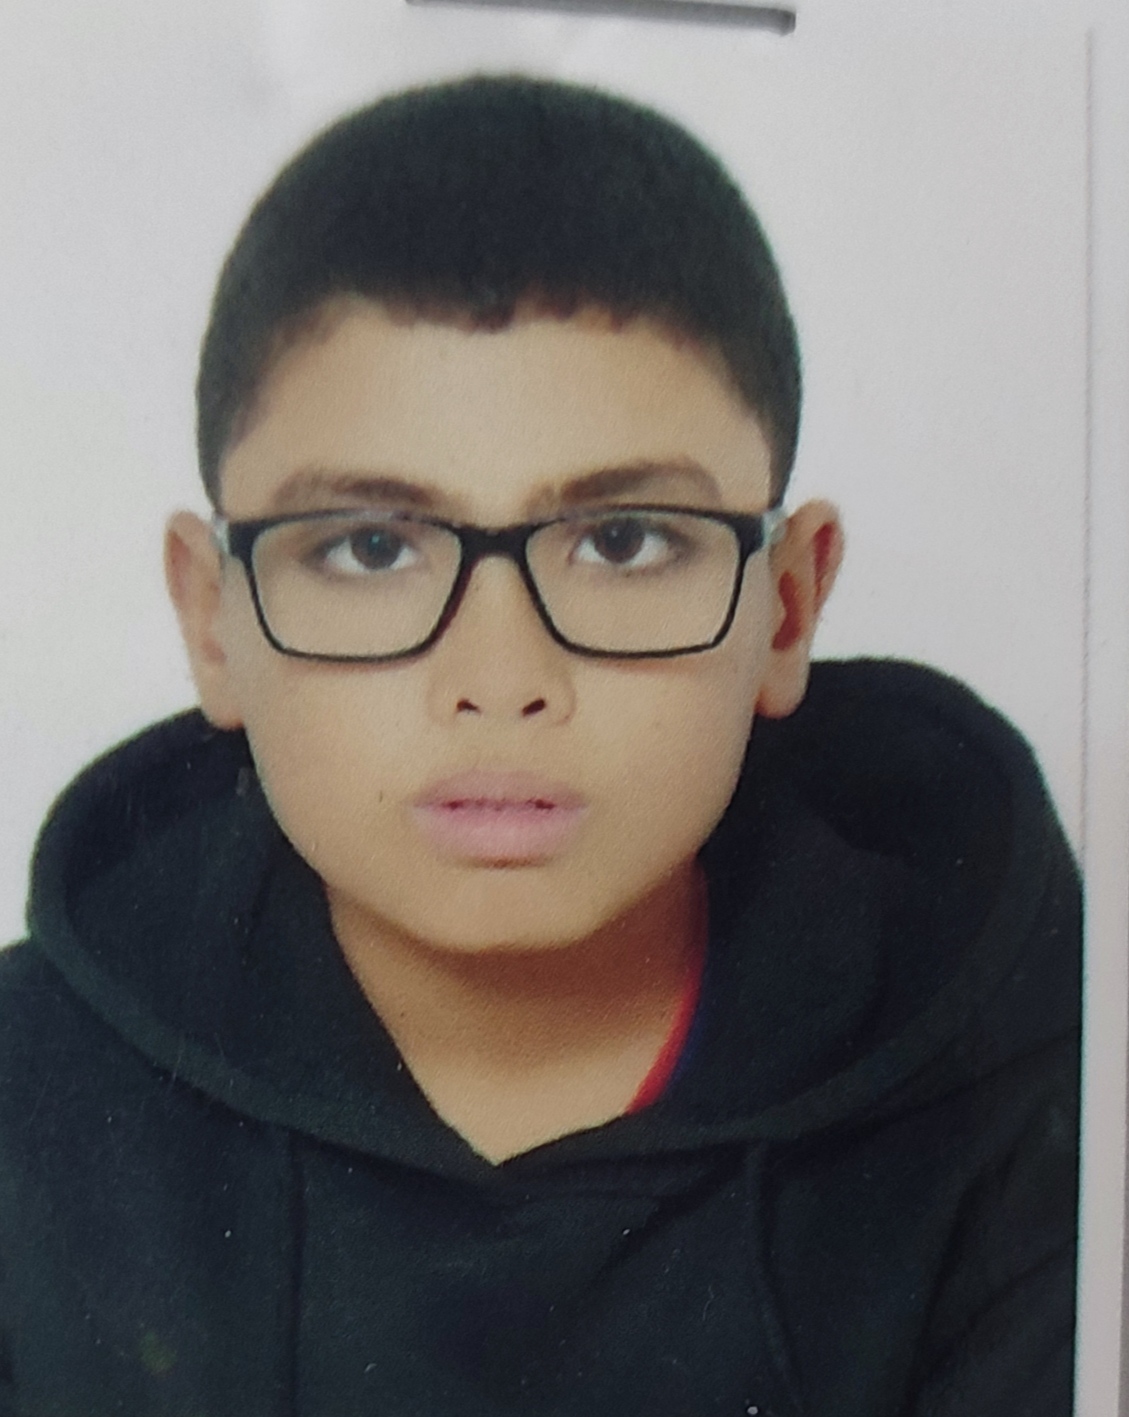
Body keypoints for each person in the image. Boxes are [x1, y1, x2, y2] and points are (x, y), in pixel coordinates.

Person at [0, 74, 1080, 1417]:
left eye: (622, 540)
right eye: (371, 547)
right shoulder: (24, 1109)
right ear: (211, 618)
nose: (501, 684)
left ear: (787, 605)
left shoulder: (1035, 1103)